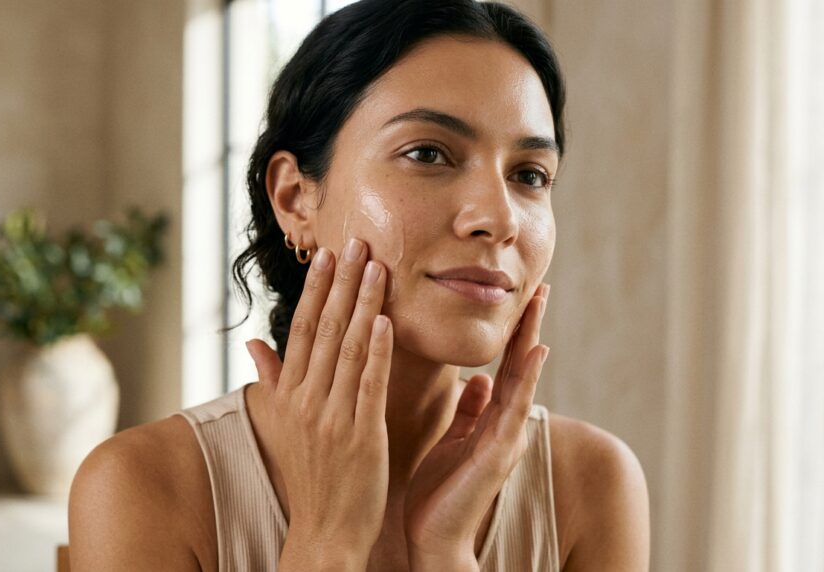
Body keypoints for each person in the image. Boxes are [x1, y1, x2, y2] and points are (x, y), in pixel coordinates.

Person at [69, 0, 650, 570]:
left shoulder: (592, 485)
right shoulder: (142, 489)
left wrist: (445, 554)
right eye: (428, 153)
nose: (498, 218)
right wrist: (326, 541)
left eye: (529, 175)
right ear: (296, 199)